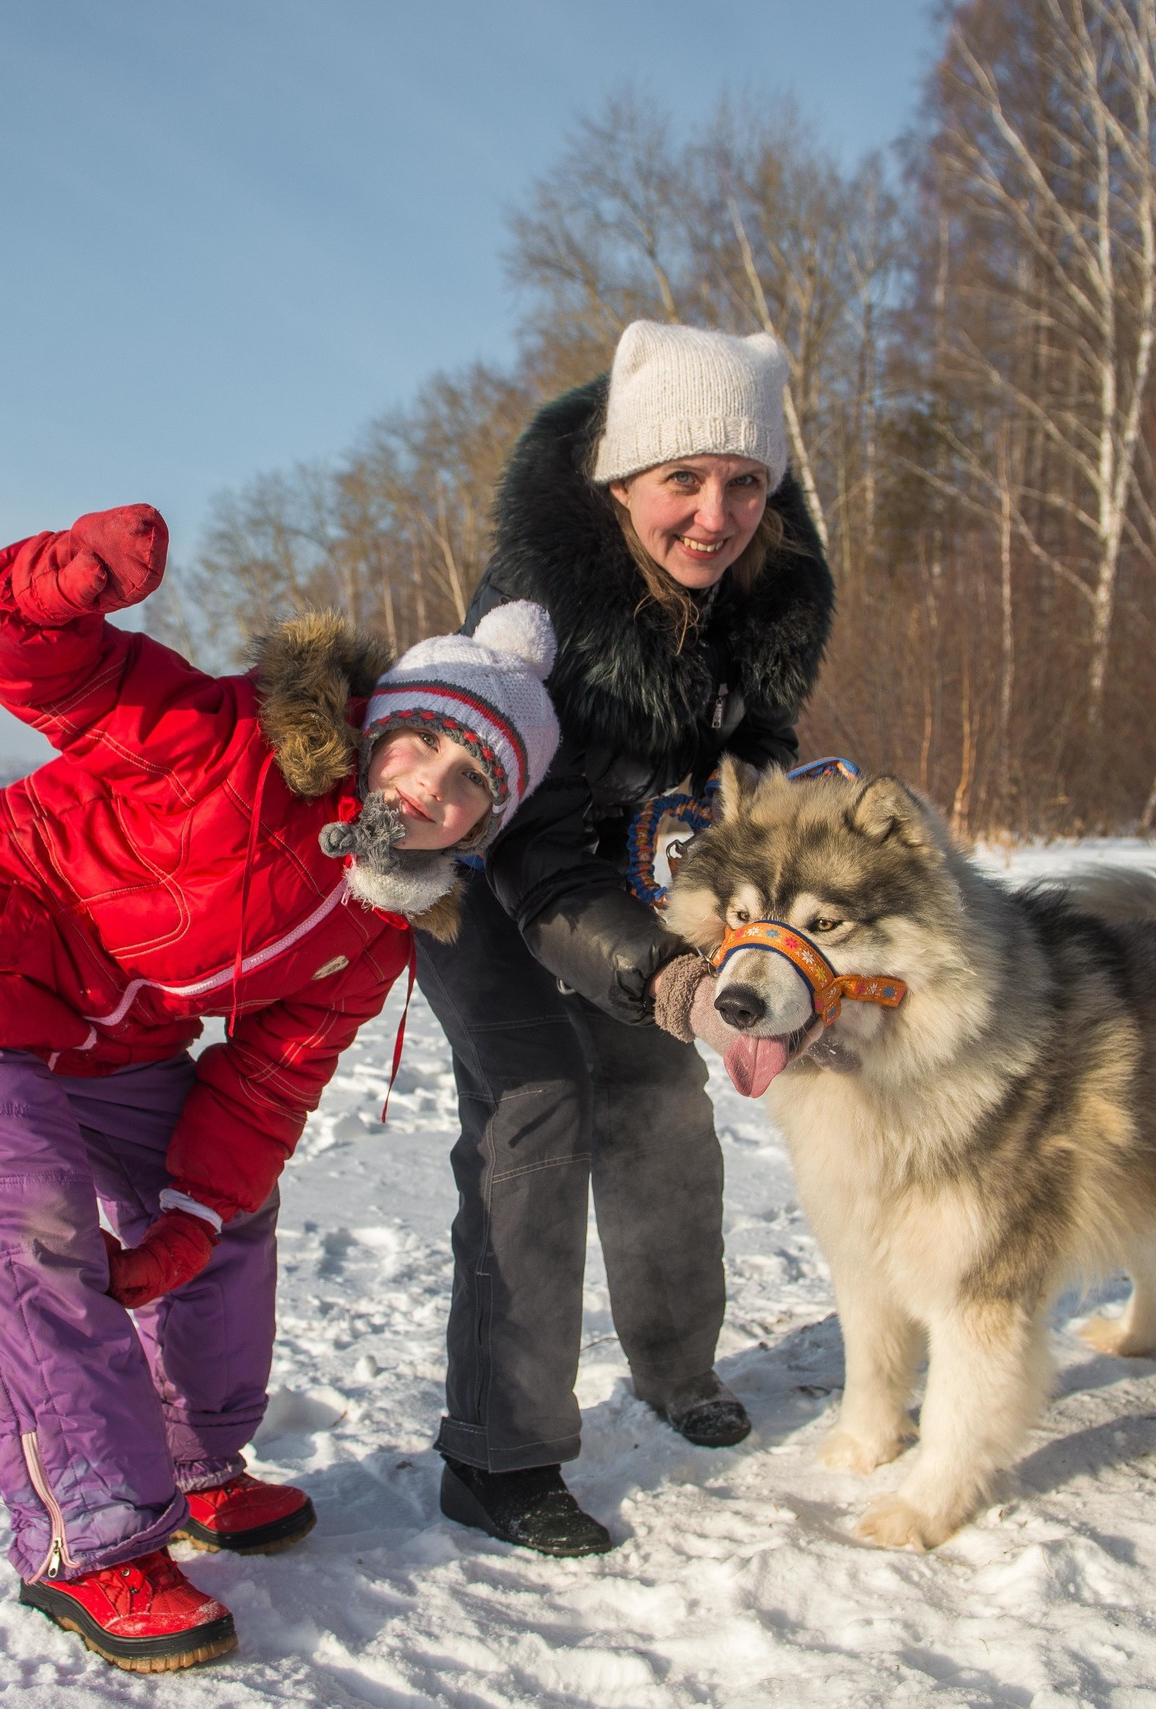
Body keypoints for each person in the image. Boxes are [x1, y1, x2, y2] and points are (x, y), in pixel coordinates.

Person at [0, 504, 559, 1673]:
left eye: (470, 781)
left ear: (487, 822)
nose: (428, 786)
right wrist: (63, 581)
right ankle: (95, 1535)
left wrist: (192, 1214)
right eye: (421, 743)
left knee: (224, 1212)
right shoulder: (226, 737)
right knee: (34, 1238)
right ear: (378, 726)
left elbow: (268, 1079)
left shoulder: (380, 922)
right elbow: (45, 667)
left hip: (113, 1026)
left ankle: (195, 1457)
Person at [416, 321, 835, 1556]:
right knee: (534, 1111)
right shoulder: (536, 606)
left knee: (661, 1095)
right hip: (489, 869)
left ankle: (675, 1364)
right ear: (620, 481)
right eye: (683, 481)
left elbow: (751, 754)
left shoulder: (764, 593)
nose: (716, 514)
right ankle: (498, 1456)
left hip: (633, 872)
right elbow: (535, 849)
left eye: (745, 481)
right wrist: (664, 971)